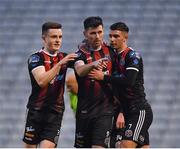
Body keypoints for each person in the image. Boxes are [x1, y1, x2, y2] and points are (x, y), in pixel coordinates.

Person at [89, 22, 153, 148]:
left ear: (125, 37)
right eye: (111, 36)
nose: (112, 39)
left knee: (124, 146)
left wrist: (104, 77)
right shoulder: (114, 55)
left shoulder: (132, 56)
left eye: (116, 36)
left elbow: (129, 80)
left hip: (138, 110)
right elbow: (87, 44)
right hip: (127, 110)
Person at [22, 22, 77, 148]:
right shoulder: (36, 58)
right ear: (44, 38)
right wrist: (59, 64)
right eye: (53, 37)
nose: (58, 40)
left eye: (60, 37)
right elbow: (42, 81)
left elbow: (81, 66)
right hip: (36, 110)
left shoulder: (64, 57)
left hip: (55, 112)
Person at [73, 16, 116, 148]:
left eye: (100, 32)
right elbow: (80, 70)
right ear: (85, 34)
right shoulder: (80, 54)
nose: (97, 36)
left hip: (105, 111)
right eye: (93, 33)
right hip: (84, 112)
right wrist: (94, 63)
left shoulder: (112, 52)